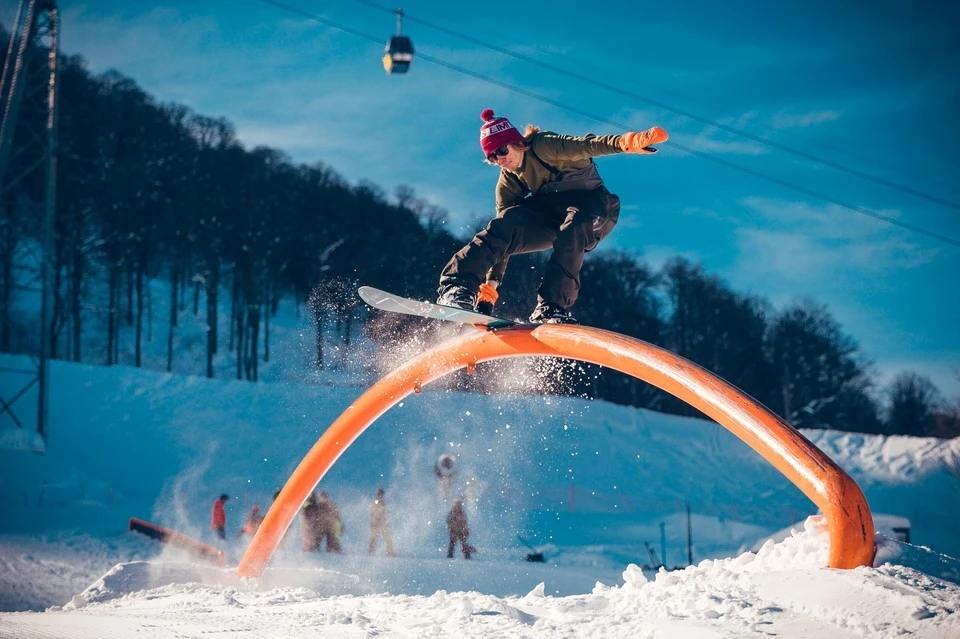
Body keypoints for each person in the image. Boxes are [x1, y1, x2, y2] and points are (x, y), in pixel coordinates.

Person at [437, 108, 668, 324]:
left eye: (502, 151)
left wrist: (626, 142)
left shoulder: (544, 146)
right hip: (551, 215)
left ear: (516, 141)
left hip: (595, 208)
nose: (501, 160)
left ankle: (552, 306)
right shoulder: (508, 183)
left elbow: (587, 146)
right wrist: (490, 288)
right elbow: (502, 241)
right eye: (493, 158)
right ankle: (457, 285)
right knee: (505, 222)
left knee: (573, 228)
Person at [367, 488, 396, 557]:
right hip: (376, 524)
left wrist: (386, 522)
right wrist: (374, 522)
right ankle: (371, 551)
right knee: (373, 538)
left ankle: (390, 552)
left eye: (382, 495)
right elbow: (372, 513)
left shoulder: (383, 504)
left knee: (387, 538)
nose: (382, 497)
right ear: (378, 495)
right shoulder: (376, 503)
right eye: (380, 495)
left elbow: (385, 514)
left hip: (383, 524)